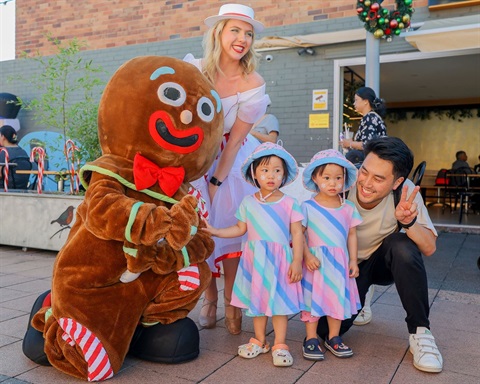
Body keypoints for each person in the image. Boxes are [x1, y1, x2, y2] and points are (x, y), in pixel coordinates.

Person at [317, 136, 443, 373]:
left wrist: (410, 223)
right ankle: (361, 295)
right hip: (346, 269)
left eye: (378, 178)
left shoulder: (406, 193)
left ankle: (421, 333)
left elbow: (429, 248)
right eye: (364, 171)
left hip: (381, 261)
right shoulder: (341, 182)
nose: (365, 183)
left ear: (397, 182)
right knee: (322, 332)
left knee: (402, 244)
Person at [184, 3, 271, 334]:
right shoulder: (193, 70)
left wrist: (217, 181)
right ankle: (209, 298)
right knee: (202, 232)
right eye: (235, 30)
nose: (243, 38)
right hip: (197, 159)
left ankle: (233, 304)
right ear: (218, 32)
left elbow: (234, 142)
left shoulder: (253, 82)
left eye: (248, 33)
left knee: (232, 235)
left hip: (232, 164)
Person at [203, 142, 304, 367]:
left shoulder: (290, 203)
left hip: (279, 261)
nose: (271, 176)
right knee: (257, 303)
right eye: (265, 170)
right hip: (255, 261)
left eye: (277, 171)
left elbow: (297, 234)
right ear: (254, 173)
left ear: (284, 175)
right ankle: (259, 340)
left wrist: (297, 261)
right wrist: (217, 230)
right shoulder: (248, 202)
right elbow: (240, 229)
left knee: (278, 304)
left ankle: (280, 343)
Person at [300, 149, 362, 360]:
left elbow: (352, 234)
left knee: (337, 299)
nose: (332, 183)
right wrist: (307, 256)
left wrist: (353, 260)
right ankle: (310, 338)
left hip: (339, 264)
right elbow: (298, 235)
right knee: (312, 299)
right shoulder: (307, 207)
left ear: (345, 179)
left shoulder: (348, 208)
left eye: (338, 178)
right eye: (326, 177)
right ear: (315, 178)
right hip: (315, 263)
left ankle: (333, 337)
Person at [341, 87, 387, 165]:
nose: (354, 103)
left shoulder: (369, 118)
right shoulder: (372, 117)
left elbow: (367, 144)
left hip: (371, 162)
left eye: (356, 100)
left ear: (365, 101)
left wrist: (350, 143)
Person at [0, 125, 31, 190]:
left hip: (4, 189)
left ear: (3, 137)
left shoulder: (3, 152)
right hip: (22, 189)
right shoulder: (23, 152)